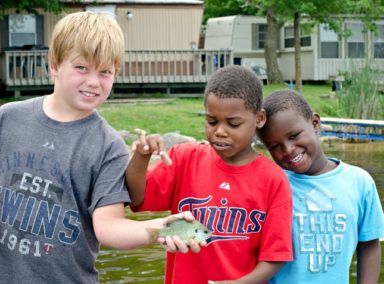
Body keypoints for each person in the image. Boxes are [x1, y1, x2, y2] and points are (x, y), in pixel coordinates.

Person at [0, 11, 198, 283]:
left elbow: (108, 227)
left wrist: (160, 228)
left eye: (105, 72)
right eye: (82, 68)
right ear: (54, 65)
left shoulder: (109, 147)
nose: (93, 82)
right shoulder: (6, 118)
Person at [126, 65, 294, 284]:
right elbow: (135, 197)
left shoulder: (274, 180)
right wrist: (141, 156)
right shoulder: (184, 159)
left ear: (259, 118)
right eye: (212, 121)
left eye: (233, 124)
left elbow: (276, 256)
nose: (220, 131)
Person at [257, 90, 384, 283]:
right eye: (275, 147)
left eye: (293, 136)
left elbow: (369, 245)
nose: (288, 150)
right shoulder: (270, 183)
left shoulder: (360, 182)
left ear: (315, 123)